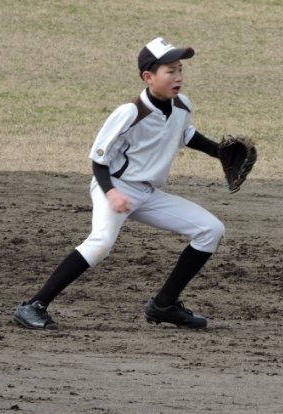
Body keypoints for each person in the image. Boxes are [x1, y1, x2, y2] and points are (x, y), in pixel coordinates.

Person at [13, 37, 224, 330]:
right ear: (148, 77)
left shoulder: (182, 105)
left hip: (147, 193)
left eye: (180, 70)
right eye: (170, 71)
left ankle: (164, 305)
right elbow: (99, 160)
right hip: (114, 185)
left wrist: (219, 152)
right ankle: (33, 306)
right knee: (101, 243)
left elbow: (186, 134)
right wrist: (111, 193)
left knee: (210, 229)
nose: (178, 77)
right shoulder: (129, 113)